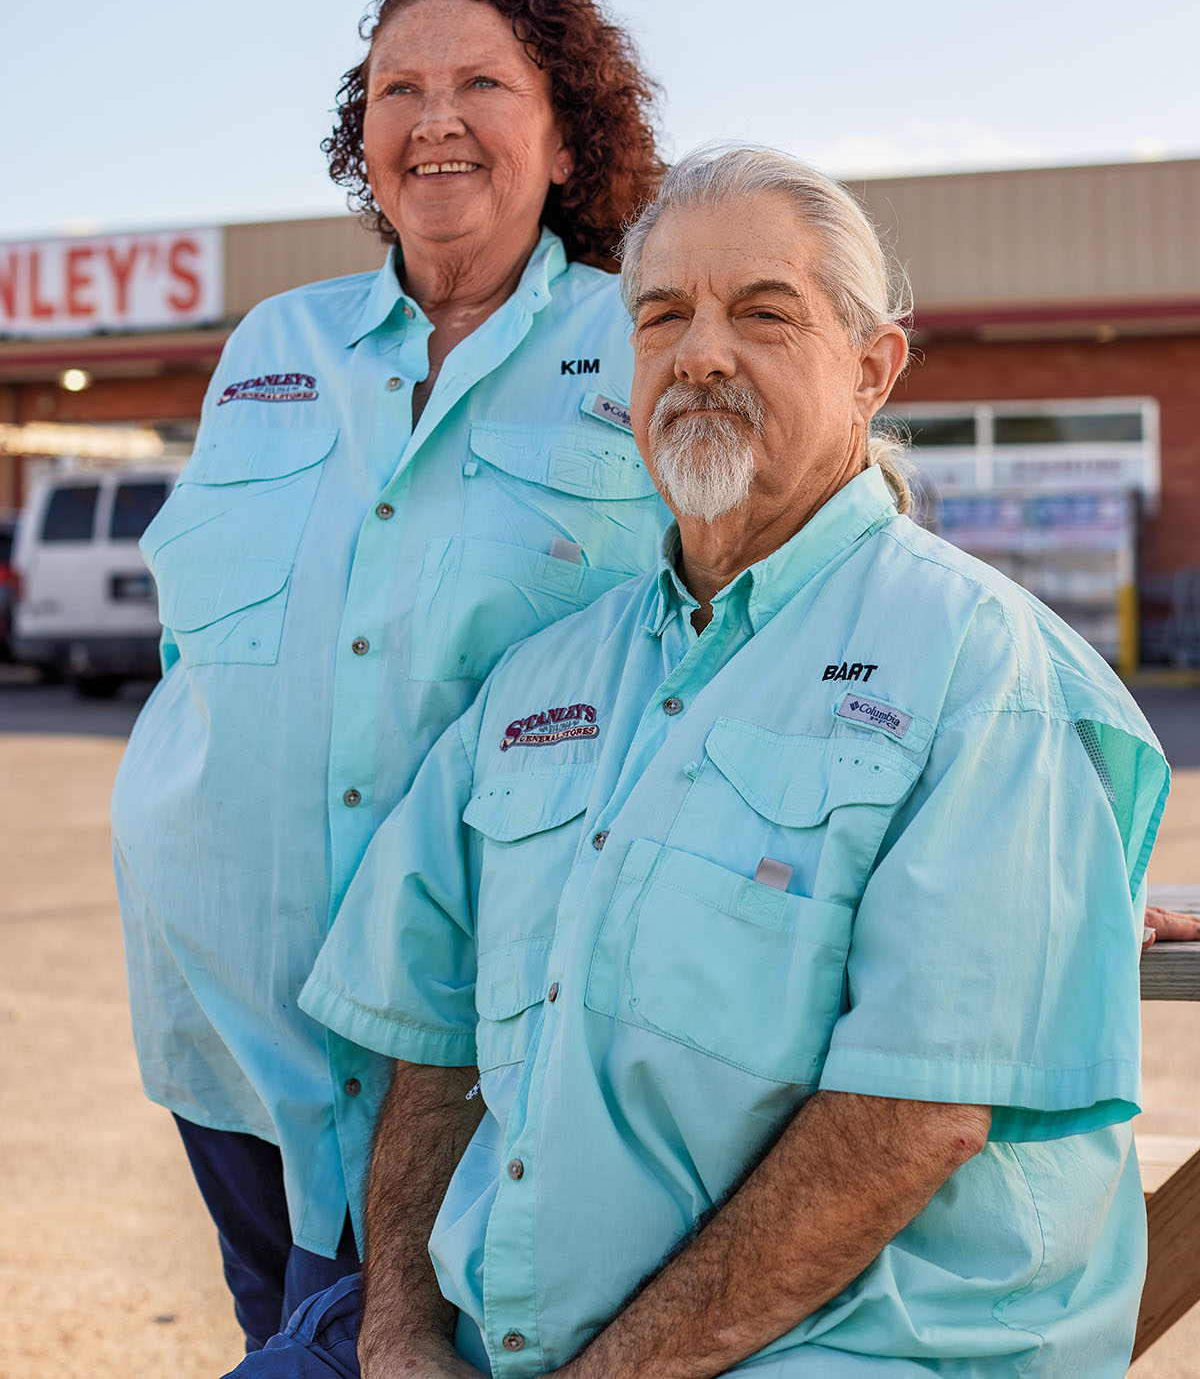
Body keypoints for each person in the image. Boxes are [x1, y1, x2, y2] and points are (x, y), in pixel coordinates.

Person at [237, 145, 1170, 1378]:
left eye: (764, 313)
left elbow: (913, 1115)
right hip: (507, 1341)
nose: (701, 353)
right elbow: (434, 1034)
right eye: (662, 315)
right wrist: (403, 1332)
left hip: (846, 1347)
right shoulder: (542, 681)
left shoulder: (981, 670)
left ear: (874, 367)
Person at [110, 0, 670, 1351]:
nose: (432, 120)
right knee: (293, 1330)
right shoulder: (271, 350)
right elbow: (202, 651)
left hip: (490, 1042)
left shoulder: (649, 343)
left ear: (563, 141)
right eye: (393, 89)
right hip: (236, 1025)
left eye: (480, 83)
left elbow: (797, 619)